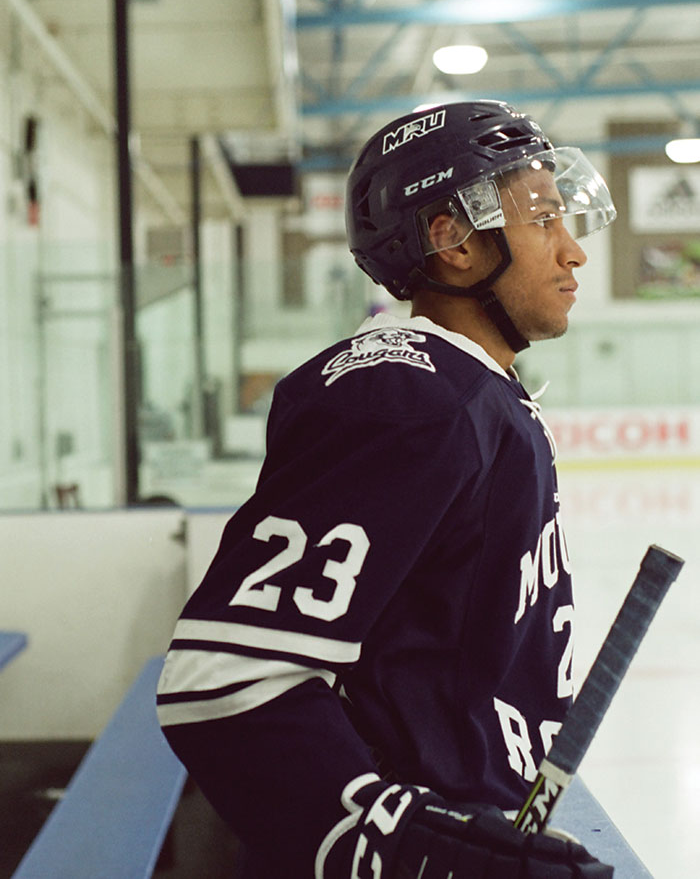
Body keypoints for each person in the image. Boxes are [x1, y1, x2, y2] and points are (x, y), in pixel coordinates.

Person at [157, 100, 617, 878]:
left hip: (476, 810)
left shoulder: (477, 391)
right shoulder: (410, 397)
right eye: (542, 220)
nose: (573, 252)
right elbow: (225, 677)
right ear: (452, 241)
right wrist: (406, 847)